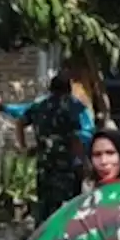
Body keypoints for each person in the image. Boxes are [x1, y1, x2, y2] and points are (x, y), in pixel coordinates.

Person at [15, 74, 85, 226]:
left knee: (44, 204)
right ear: (68, 89)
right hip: (65, 165)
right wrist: (82, 161)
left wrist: (24, 147)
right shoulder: (70, 107)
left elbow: (20, 122)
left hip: (44, 164)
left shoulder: (39, 107)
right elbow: (75, 139)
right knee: (68, 207)